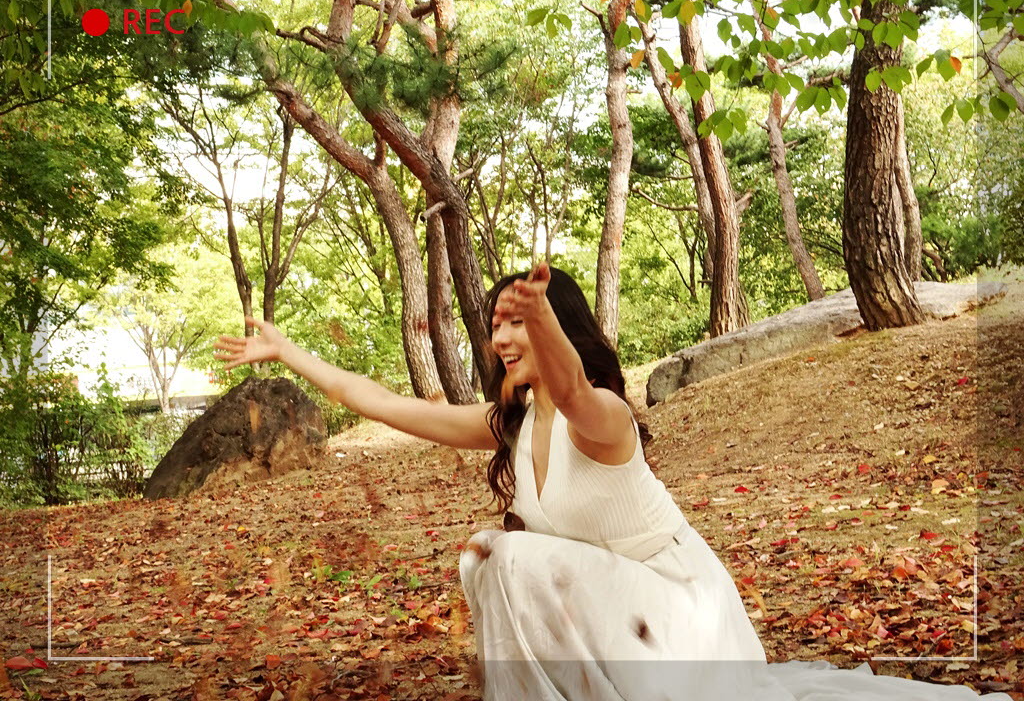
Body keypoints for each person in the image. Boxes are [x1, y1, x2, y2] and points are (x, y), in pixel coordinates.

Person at [214, 262, 1011, 701]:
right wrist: (288, 353)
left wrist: (544, 317)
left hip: (681, 617)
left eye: (516, 321)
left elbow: (570, 389)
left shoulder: (602, 417)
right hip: (618, 620)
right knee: (490, 556)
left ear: (559, 329)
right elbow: (384, 403)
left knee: (503, 554)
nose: (501, 337)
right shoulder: (511, 424)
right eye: (495, 325)